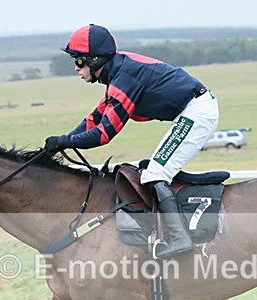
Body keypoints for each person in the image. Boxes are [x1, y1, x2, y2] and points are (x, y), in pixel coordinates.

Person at [44, 24, 219, 258]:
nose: (76, 68)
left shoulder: (124, 78)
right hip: (191, 109)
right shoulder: (117, 72)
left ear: (94, 59)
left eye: (78, 61)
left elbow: (103, 134)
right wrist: (59, 143)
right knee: (149, 169)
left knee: (154, 174)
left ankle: (179, 238)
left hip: (197, 111)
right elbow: (95, 119)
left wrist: (65, 141)